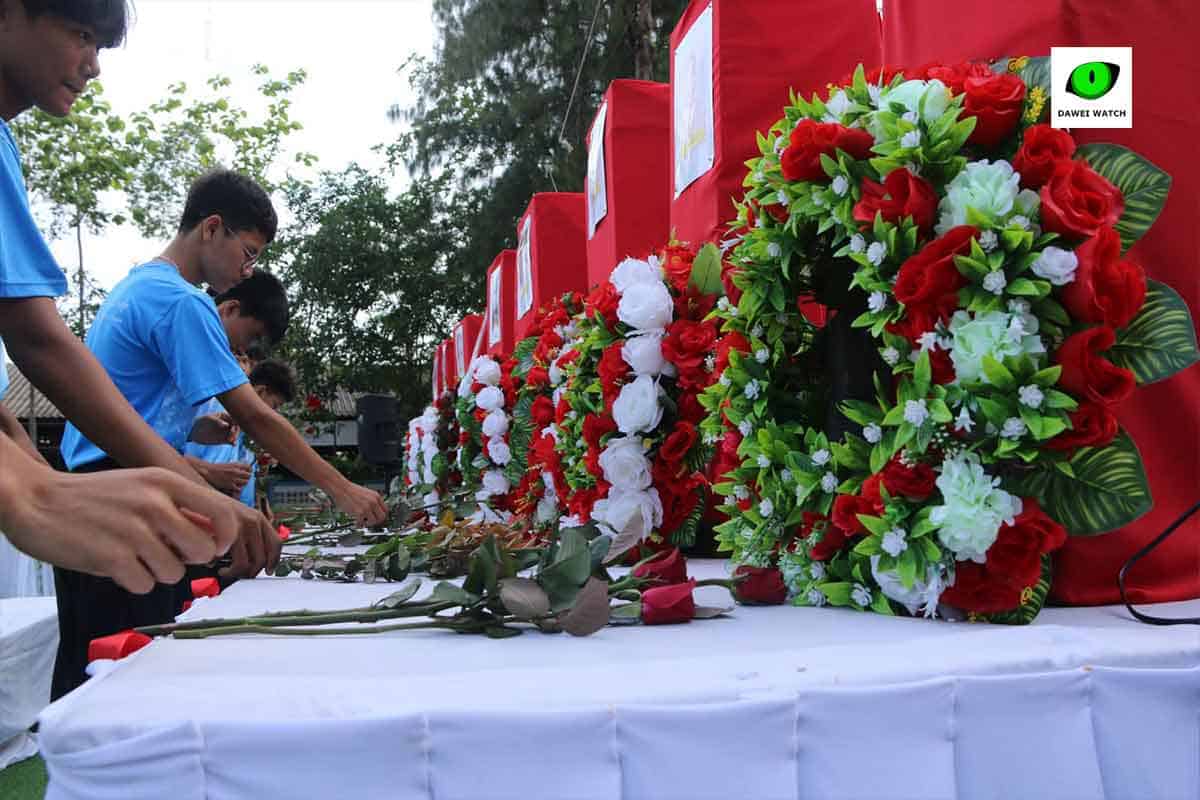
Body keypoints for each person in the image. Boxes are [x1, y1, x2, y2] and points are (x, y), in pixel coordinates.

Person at [53, 172, 387, 697]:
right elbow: (257, 416)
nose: (248, 270)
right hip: (128, 496)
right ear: (212, 228)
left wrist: (195, 427)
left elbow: (126, 405)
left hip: (90, 492)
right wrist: (342, 489)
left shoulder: (137, 287)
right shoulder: (183, 302)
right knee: (130, 671)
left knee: (85, 662)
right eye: (249, 253)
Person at [0, 0, 276, 594]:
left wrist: (37, 476)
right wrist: (33, 489)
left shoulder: (4, 146)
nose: (93, 65)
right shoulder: (178, 301)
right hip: (114, 477)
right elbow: (37, 340)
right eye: (81, 35)